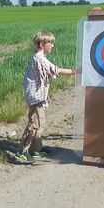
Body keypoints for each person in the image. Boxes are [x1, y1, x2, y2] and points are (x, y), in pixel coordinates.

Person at [17, 30, 78, 164]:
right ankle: (22, 151)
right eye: (50, 43)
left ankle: (36, 149)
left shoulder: (39, 58)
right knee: (35, 124)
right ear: (41, 44)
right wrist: (76, 71)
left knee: (40, 122)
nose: (53, 46)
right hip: (36, 98)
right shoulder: (39, 59)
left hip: (38, 97)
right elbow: (56, 70)